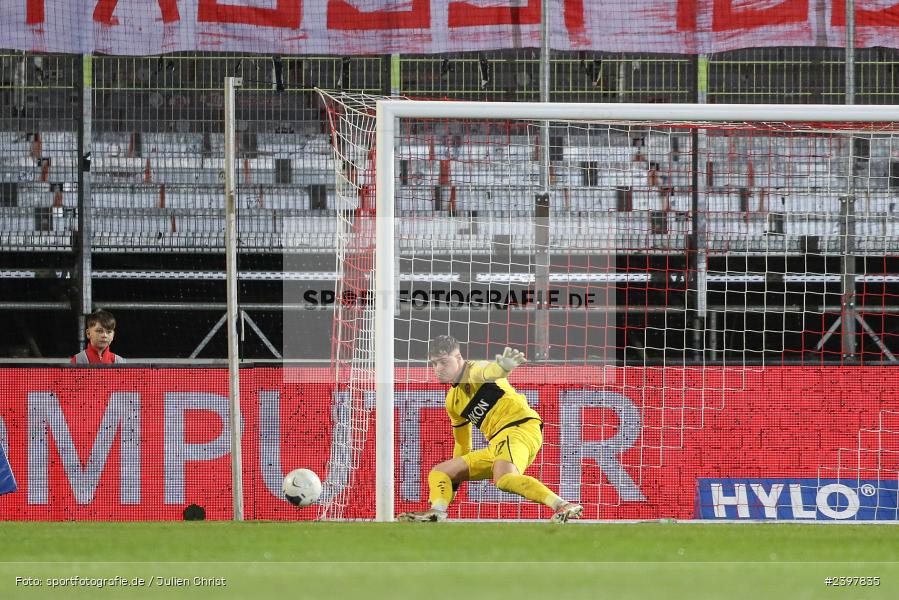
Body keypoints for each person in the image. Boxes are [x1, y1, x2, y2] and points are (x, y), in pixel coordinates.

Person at [397, 335, 582, 524]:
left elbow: (490, 371)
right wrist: (452, 484)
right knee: (440, 472)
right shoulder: (453, 402)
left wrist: (504, 367)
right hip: (499, 443)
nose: (438, 369)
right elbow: (462, 444)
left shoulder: (475, 370)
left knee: (504, 479)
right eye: (434, 364)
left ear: (459, 358)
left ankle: (562, 504)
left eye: (444, 362)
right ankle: (436, 511)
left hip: (519, 427)